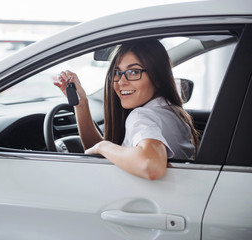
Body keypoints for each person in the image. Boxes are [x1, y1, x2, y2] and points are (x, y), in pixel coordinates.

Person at [53, 39, 199, 180]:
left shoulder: (142, 116)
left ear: (158, 77)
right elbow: (100, 154)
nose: (121, 82)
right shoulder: (172, 111)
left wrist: (104, 146)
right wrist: (81, 105)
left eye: (134, 72)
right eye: (117, 73)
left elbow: (151, 164)